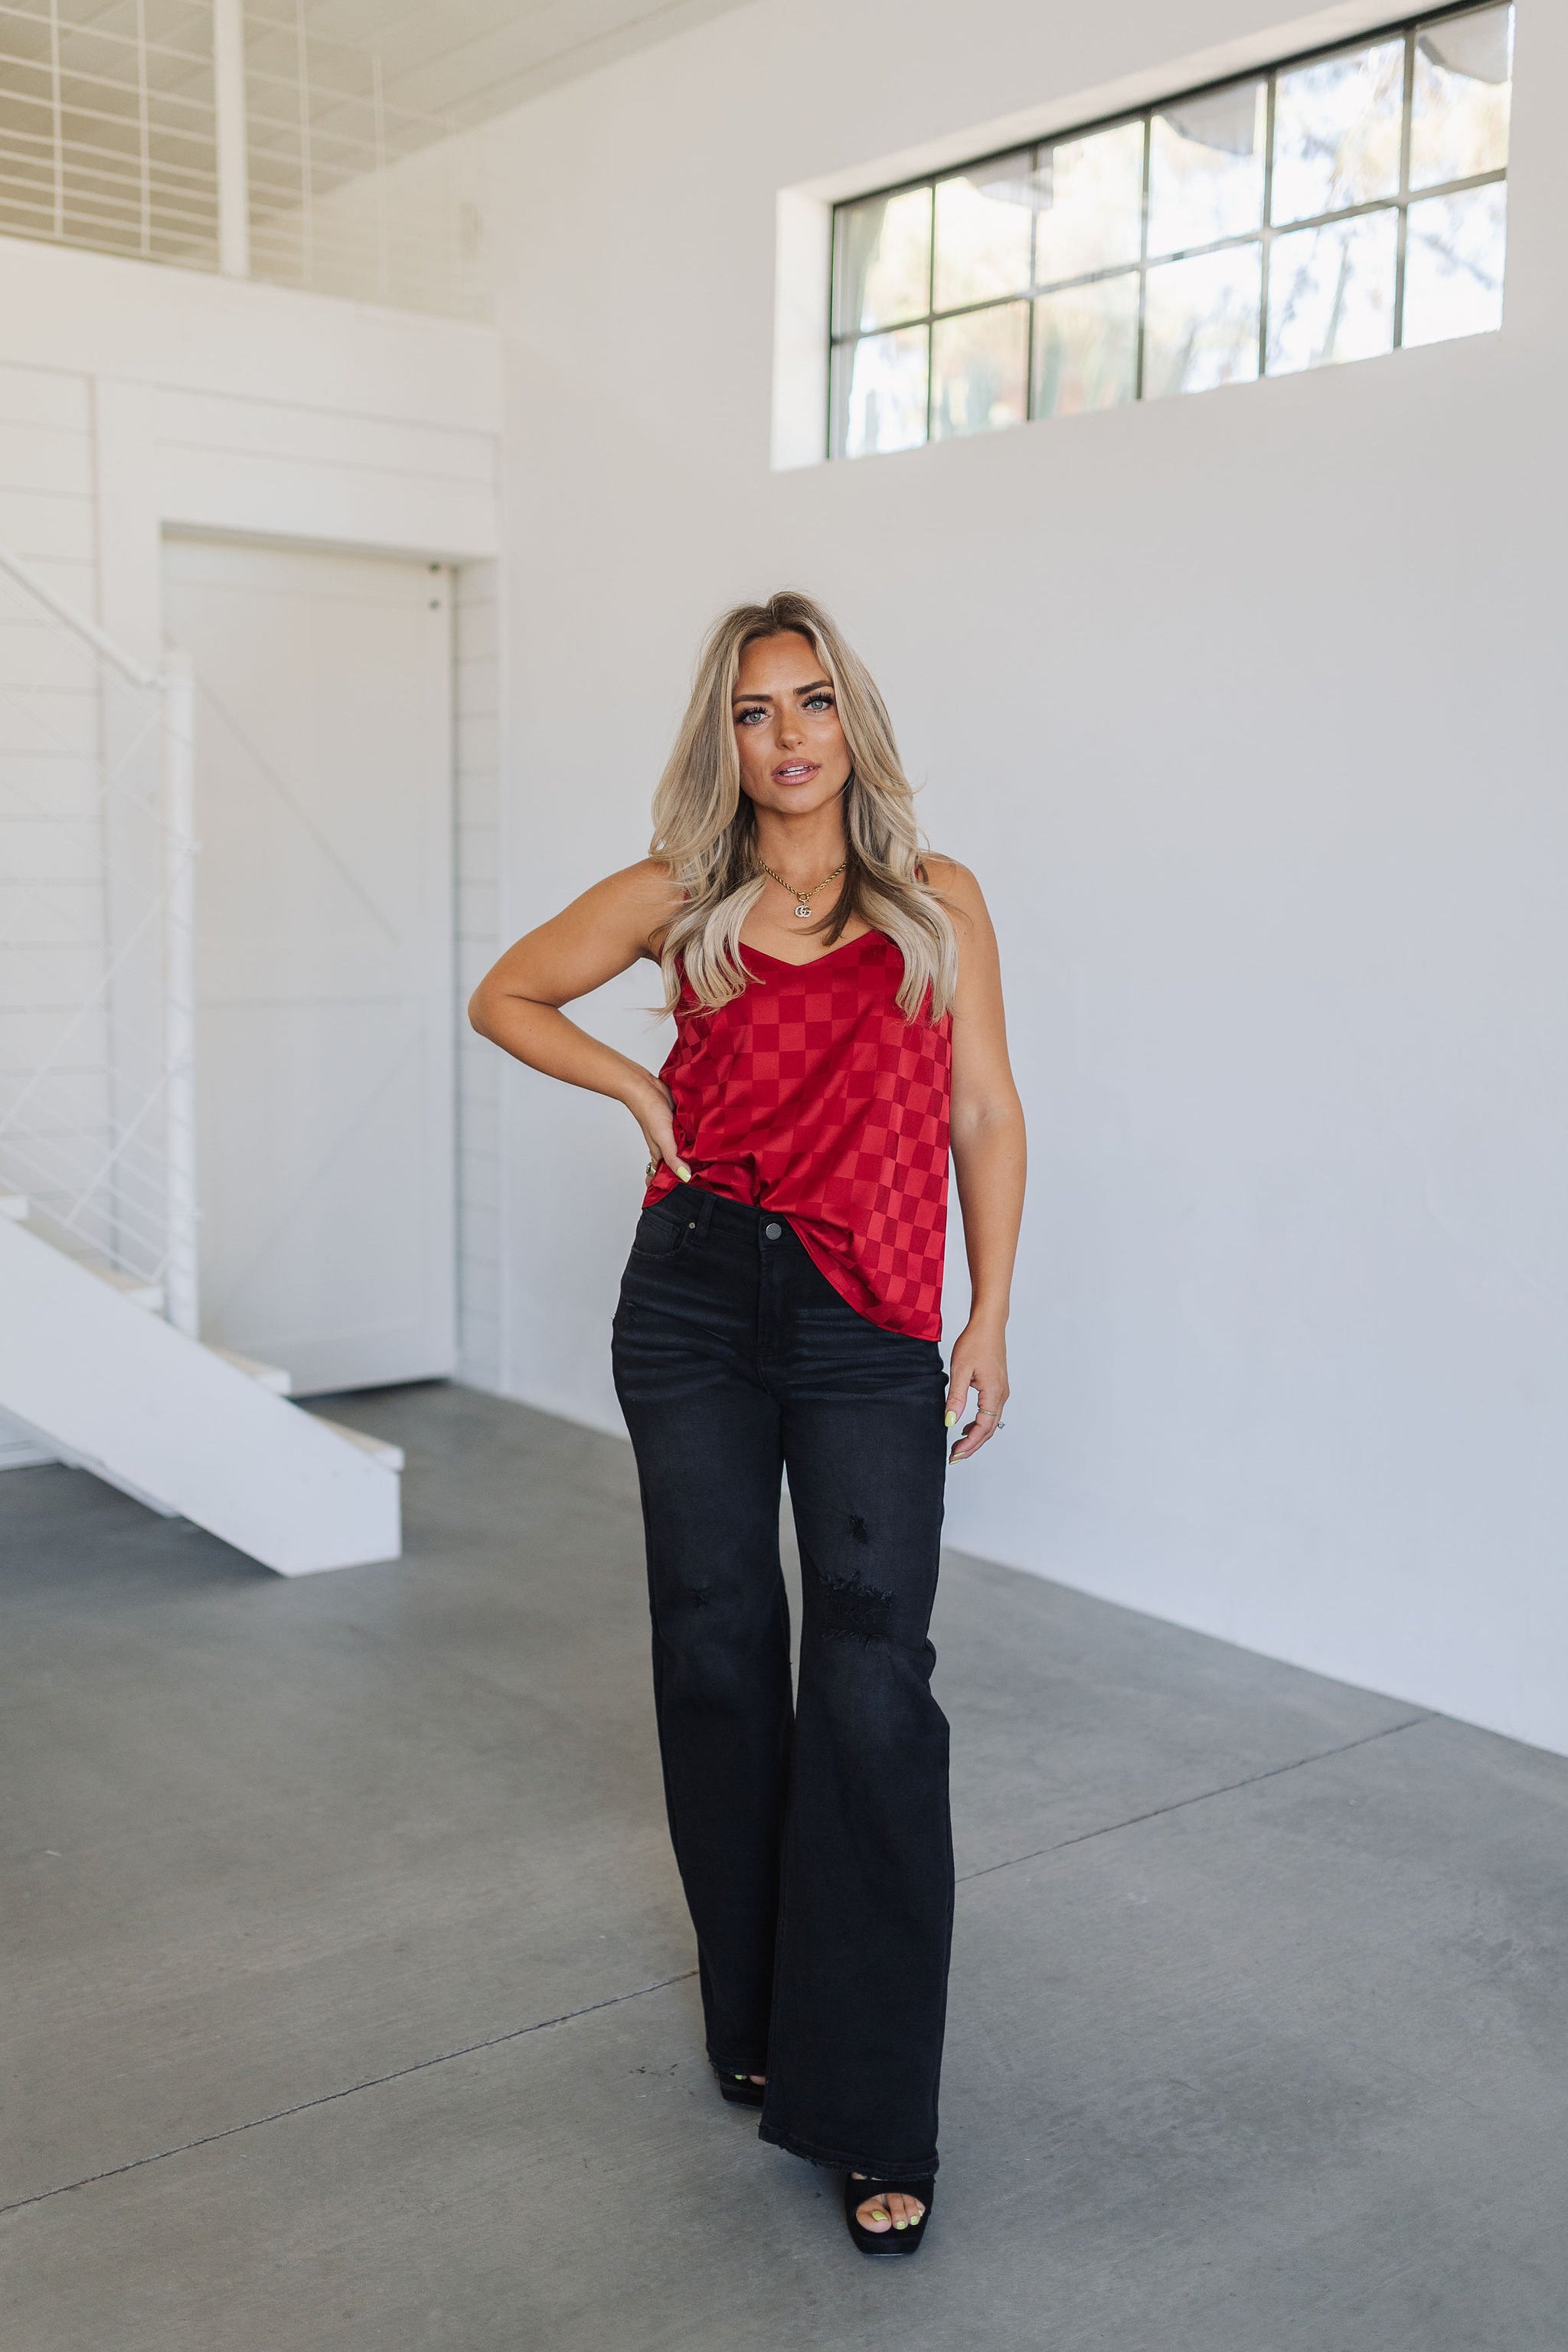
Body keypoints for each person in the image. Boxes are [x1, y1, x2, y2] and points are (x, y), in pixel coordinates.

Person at [469, 590, 1026, 2256]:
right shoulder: (680, 898)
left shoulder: (937, 903)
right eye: (751, 712)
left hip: (869, 1326)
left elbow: (986, 1104)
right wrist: (642, 1092)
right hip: (698, 1302)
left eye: (809, 704)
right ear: (722, 739)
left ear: (852, 719)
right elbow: (508, 993)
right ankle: (756, 2017)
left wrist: (989, 1308)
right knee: (716, 1659)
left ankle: (868, 2107)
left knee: (869, 1689)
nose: (785, 737)